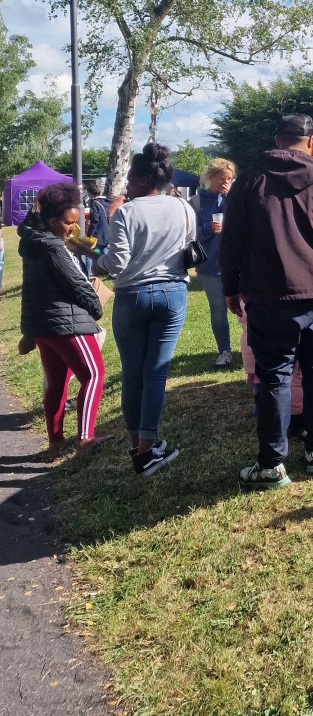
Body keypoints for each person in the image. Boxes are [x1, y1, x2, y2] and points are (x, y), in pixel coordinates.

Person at [220, 114, 313, 489]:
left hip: (268, 293)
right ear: (311, 142)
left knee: (275, 375)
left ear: (278, 141)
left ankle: (271, 464)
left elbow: (231, 240)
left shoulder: (248, 180)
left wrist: (230, 289)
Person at [98, 143, 192, 476]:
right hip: (172, 294)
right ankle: (146, 448)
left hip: (132, 297)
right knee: (156, 373)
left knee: (133, 374)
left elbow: (116, 262)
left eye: (129, 177)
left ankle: (140, 446)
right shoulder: (184, 208)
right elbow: (188, 248)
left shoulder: (126, 212)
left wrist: (96, 260)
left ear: (139, 179)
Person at [17, 182, 106, 458]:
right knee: (94, 375)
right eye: (69, 223)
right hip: (67, 324)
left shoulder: (34, 240)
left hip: (43, 326)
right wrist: (96, 307)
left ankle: (56, 443)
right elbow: (77, 286)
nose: (73, 228)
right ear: (53, 221)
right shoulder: (54, 248)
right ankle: (85, 439)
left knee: (57, 382)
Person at [194, 157, 237, 367]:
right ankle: (225, 351)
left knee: (247, 308)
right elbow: (190, 237)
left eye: (229, 179)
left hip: (236, 264)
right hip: (209, 267)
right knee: (219, 311)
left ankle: (252, 349)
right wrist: (208, 229)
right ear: (210, 177)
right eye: (222, 178)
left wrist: (233, 199)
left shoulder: (233, 197)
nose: (226, 183)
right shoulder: (196, 201)